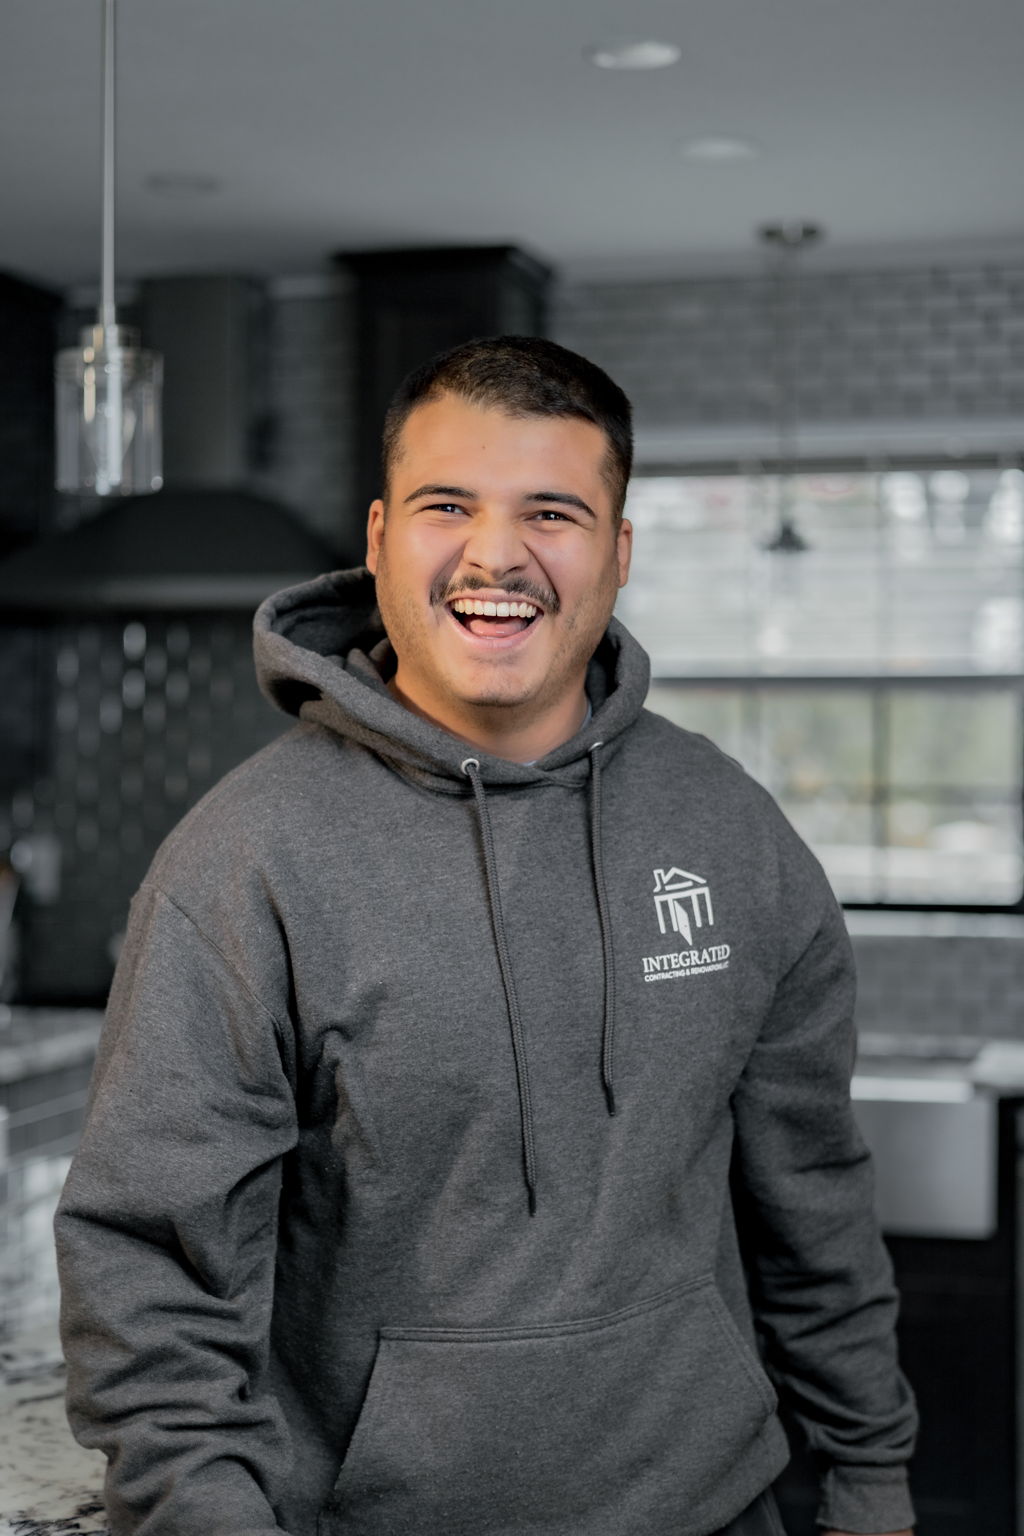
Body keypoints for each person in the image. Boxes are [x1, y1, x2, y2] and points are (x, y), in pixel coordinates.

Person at [55, 335, 917, 1536]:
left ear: (619, 553)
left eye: (551, 512)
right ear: (378, 539)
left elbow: (811, 1199)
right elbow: (153, 1269)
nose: (494, 554)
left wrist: (871, 1477)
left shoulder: (730, 831)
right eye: (446, 505)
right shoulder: (245, 860)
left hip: (715, 1511)